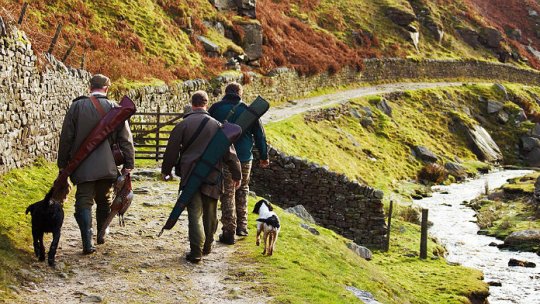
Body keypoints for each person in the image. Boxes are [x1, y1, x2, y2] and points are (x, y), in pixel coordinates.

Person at [58, 74, 135, 254]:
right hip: (108, 166)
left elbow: (66, 138)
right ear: (107, 88)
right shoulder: (115, 108)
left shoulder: (76, 106)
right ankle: (101, 234)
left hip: (82, 165)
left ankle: (87, 242)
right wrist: (128, 164)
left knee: (83, 202)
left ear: (89, 86)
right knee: (104, 199)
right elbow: (126, 140)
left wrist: (63, 165)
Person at [161, 91, 242, 263]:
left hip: (190, 176)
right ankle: (208, 246)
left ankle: (196, 252)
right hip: (213, 176)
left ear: (192, 104)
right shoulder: (218, 126)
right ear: (206, 104)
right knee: (211, 214)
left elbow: (171, 151)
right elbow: (230, 154)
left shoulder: (183, 125)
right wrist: (237, 174)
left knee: (194, 214)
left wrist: (166, 170)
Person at [208, 82, 269, 245]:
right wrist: (264, 156)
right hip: (244, 158)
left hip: (224, 157)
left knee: (227, 192)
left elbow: (207, 129)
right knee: (243, 189)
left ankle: (229, 231)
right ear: (240, 94)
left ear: (226, 93)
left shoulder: (215, 109)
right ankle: (241, 227)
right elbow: (260, 136)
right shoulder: (249, 111)